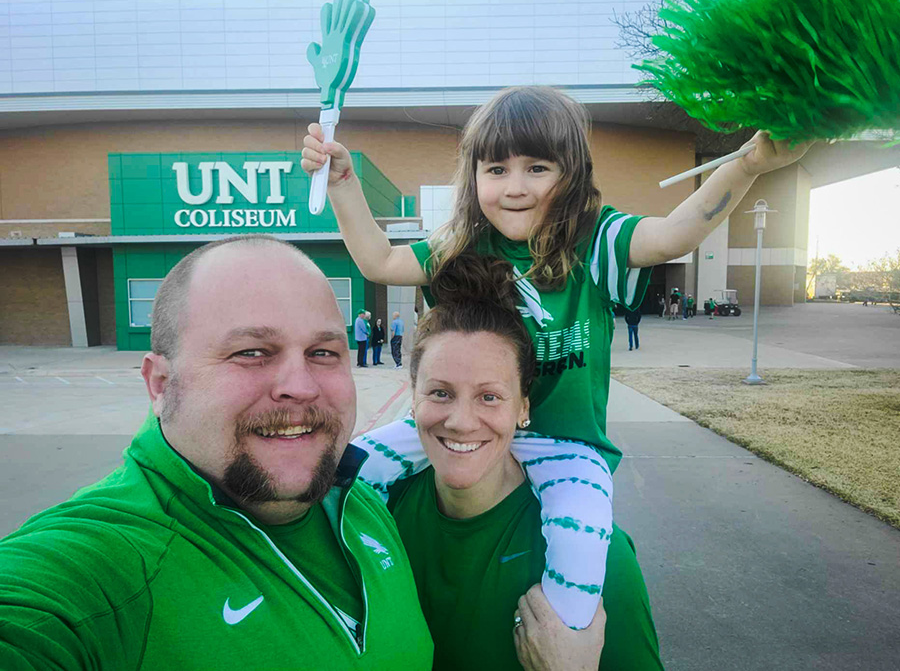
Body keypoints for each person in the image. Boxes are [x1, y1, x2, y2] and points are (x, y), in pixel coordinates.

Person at [302, 85, 811, 628]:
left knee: (583, 535)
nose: (514, 188)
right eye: (495, 170)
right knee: (342, 470)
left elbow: (669, 239)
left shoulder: (595, 242)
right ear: (473, 179)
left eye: (537, 168)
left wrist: (748, 167)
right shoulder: (460, 248)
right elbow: (380, 260)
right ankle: (331, 606)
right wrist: (343, 184)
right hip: (465, 423)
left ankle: (565, 641)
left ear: (570, 174)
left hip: (568, 445)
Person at [0, 236, 433, 670]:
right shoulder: (101, 567)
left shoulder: (359, 500)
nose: (301, 386)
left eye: (323, 352)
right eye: (251, 352)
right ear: (161, 383)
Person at [375, 255, 663, 670]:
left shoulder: (598, 560)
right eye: (440, 393)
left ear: (523, 408)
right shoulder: (372, 520)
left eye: (489, 397)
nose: (459, 422)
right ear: (412, 395)